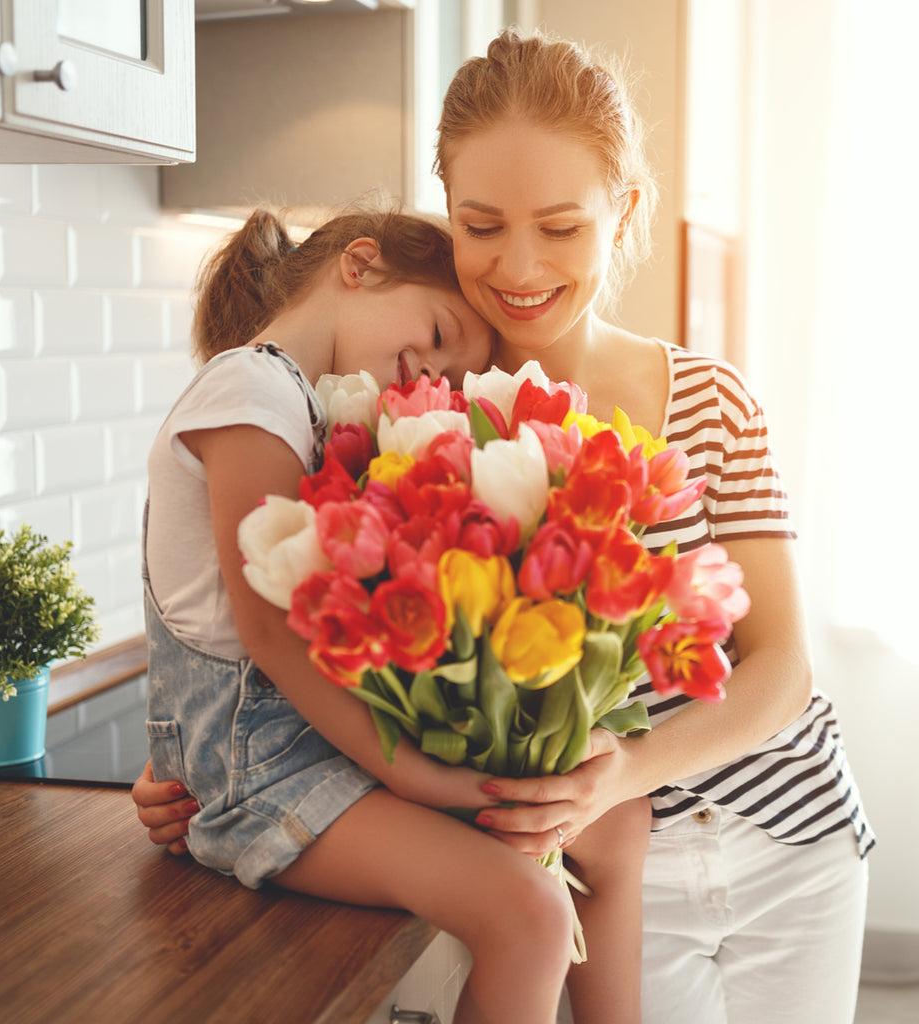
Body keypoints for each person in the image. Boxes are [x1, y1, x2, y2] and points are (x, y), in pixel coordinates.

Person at [135, 27, 876, 1024]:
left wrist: (624, 772)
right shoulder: (391, 420)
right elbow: (311, 633)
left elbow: (781, 663)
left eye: (561, 226)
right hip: (608, 864)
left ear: (624, 214)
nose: (518, 263)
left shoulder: (710, 399)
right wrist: (191, 751)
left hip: (790, 840)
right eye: (481, 224)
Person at [140, 200, 587, 1024]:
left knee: (568, 860)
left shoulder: (300, 401)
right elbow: (268, 635)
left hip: (295, 753)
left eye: (450, 376)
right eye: (442, 330)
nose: (431, 377)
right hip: (265, 769)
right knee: (531, 914)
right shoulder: (251, 385)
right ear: (360, 263)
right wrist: (415, 776)